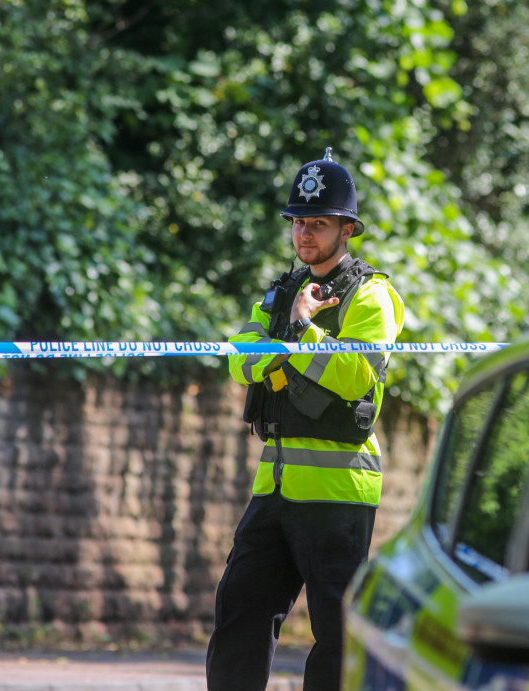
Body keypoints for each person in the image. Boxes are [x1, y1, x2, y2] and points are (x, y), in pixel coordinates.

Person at [206, 149, 405, 691]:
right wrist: (292, 332)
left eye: (318, 223)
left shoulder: (373, 295)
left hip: (339, 490)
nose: (305, 233)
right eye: (298, 222)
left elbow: (355, 374)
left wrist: (299, 333)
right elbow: (240, 362)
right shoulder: (279, 292)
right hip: (275, 485)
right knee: (238, 614)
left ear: (347, 229)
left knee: (337, 637)